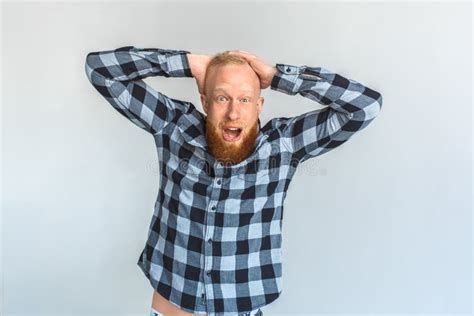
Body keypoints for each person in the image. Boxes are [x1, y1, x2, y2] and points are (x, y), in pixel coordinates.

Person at [84, 46, 383, 316]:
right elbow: (100, 70)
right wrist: (187, 64)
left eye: (244, 99)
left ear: (259, 105)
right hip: (170, 307)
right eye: (222, 97)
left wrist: (278, 76)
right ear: (204, 100)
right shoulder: (173, 125)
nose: (233, 112)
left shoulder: (283, 145)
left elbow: (365, 106)